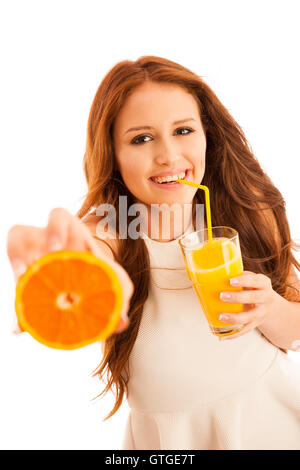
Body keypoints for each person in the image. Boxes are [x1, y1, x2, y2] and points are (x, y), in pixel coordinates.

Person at [7, 56, 300, 450]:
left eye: (183, 130)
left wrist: (271, 309)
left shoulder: (245, 213)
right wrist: (60, 253)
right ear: (112, 152)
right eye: (141, 138)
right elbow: (92, 251)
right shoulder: (114, 228)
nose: (168, 156)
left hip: (272, 421)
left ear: (207, 135)